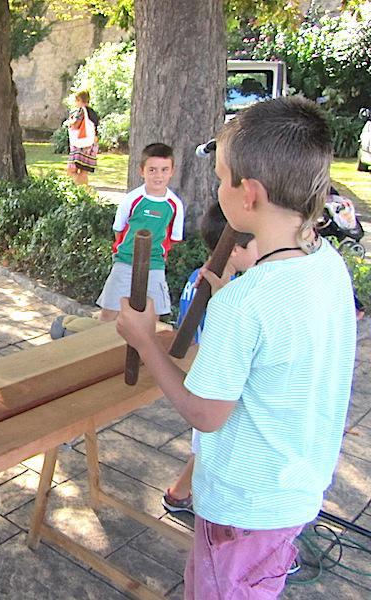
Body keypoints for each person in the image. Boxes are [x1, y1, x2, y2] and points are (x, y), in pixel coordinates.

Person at [116, 96, 356, 599]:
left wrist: (145, 339)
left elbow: (204, 414)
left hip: (242, 506)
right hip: (294, 489)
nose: (217, 187)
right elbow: (282, 337)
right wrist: (238, 301)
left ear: (248, 194)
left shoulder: (245, 303)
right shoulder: (327, 264)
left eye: (221, 177)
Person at [162, 202, 257, 515]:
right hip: (210, 381)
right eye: (255, 244)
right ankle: (183, 495)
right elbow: (201, 342)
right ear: (232, 250)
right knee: (207, 444)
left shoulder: (204, 278)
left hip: (206, 378)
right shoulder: (225, 290)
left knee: (203, 445)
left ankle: (179, 493)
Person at [97, 143, 184, 322]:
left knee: (153, 317)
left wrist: (157, 254)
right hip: (125, 262)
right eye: (152, 170)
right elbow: (119, 229)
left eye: (164, 169)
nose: (158, 175)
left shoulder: (175, 205)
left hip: (155, 264)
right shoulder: (132, 199)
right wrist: (126, 251)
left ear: (172, 171)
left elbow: (174, 239)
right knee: (109, 314)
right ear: (141, 171)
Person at [66, 90, 100, 186]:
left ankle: (80, 189)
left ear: (79, 100)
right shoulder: (93, 113)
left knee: (71, 170)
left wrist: (70, 123)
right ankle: (85, 190)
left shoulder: (81, 111)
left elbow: (75, 125)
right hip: (92, 144)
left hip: (81, 144)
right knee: (84, 171)